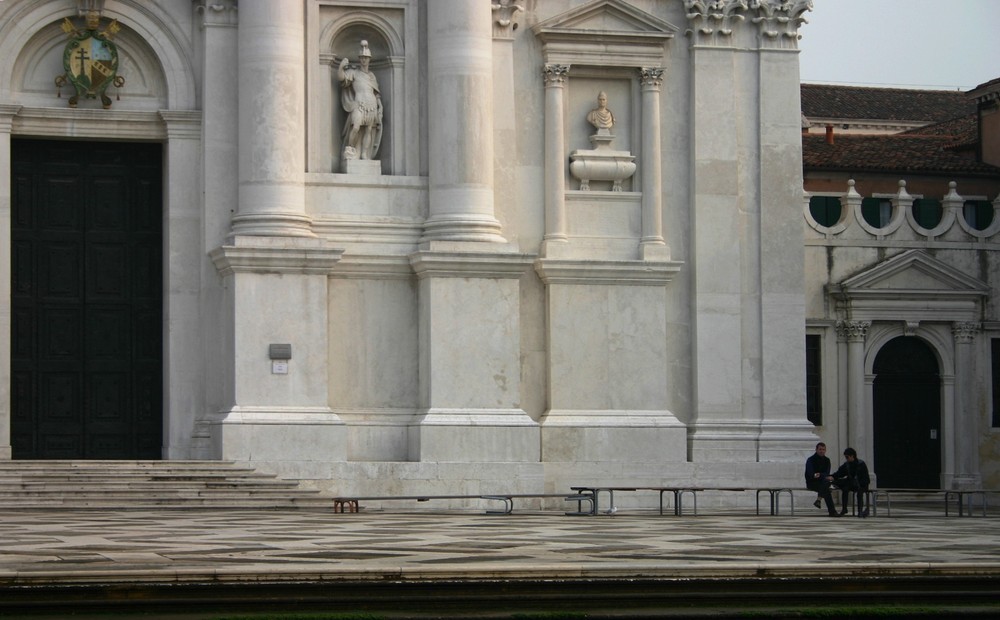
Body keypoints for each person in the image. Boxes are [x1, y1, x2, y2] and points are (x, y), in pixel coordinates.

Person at [338, 40, 383, 161]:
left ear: (369, 59)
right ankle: (350, 148)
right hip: (359, 104)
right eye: (362, 57)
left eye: (366, 58)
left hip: (372, 104)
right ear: (359, 59)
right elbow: (342, 78)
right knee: (356, 127)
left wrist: (380, 106)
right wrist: (341, 67)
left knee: (368, 129)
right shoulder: (354, 72)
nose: (364, 60)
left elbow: (376, 92)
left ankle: (364, 154)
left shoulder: (372, 76)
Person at [832, 447, 871, 518]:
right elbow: (840, 473)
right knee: (845, 489)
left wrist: (862, 485)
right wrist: (832, 476)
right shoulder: (847, 465)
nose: (846, 459)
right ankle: (844, 509)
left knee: (860, 493)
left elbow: (865, 477)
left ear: (852, 456)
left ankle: (860, 511)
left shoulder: (861, 464)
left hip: (862, 484)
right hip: (852, 483)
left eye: (847, 457)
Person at [804, 442, 840, 516]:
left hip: (822, 482)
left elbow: (827, 473)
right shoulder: (810, 460)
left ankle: (819, 500)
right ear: (816, 450)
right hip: (812, 483)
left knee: (825, 485)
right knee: (826, 487)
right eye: (820, 449)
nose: (821, 451)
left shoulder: (827, 460)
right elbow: (811, 474)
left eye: (823, 449)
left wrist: (819, 475)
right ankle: (832, 511)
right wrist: (821, 475)